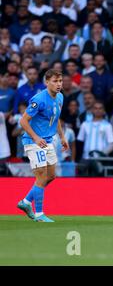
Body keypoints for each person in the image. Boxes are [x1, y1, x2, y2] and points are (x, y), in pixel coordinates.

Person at [16, 69, 67, 222]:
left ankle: (25, 202)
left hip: (48, 141)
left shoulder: (60, 97)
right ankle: (39, 215)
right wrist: (36, 138)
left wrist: (62, 136)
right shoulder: (38, 99)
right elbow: (23, 121)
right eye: (55, 81)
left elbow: (55, 116)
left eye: (60, 81)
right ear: (47, 82)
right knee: (41, 176)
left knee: (51, 176)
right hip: (34, 142)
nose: (58, 84)